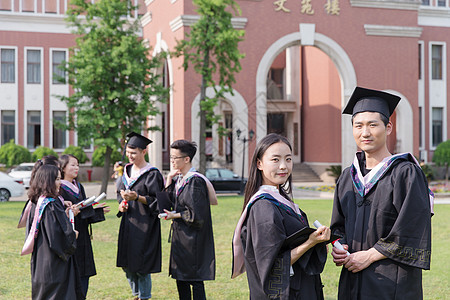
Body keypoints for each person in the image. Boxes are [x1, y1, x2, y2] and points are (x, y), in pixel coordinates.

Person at [330, 87, 433, 299]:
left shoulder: (406, 173)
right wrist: (338, 247)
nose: (365, 132)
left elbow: (412, 228)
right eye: (358, 126)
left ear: (388, 128)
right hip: (352, 281)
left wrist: (368, 256)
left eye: (372, 125)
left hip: (392, 284)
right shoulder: (347, 178)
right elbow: (338, 226)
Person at [232, 133, 331, 299]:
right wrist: (310, 242)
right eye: (275, 160)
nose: (284, 166)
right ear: (259, 163)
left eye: (288, 159)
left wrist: (316, 244)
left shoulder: (281, 199)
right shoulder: (263, 207)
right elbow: (271, 265)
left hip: (299, 287)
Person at [163, 140, 217, 300]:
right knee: (181, 279)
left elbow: (197, 214)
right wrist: (168, 180)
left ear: (186, 159)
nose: (171, 160)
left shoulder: (195, 181)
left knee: (195, 280)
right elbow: (166, 205)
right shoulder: (180, 179)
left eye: (175, 157)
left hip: (193, 239)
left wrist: (175, 215)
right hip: (181, 238)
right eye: (171, 157)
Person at [21, 164, 84, 300]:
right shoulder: (51, 205)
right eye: (56, 179)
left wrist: (64, 216)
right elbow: (57, 237)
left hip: (41, 261)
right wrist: (73, 235)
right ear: (47, 181)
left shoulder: (36, 202)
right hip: (55, 264)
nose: (59, 183)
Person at [116, 132, 164, 300]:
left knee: (142, 265)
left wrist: (137, 197)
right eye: (128, 152)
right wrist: (121, 204)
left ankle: (144, 296)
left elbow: (160, 202)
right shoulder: (126, 171)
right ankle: (136, 294)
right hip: (129, 223)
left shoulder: (152, 173)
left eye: (134, 153)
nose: (130, 156)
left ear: (144, 152)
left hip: (146, 225)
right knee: (126, 263)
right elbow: (118, 193)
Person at [59, 154, 110, 297]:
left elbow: (84, 211)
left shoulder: (78, 186)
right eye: (73, 165)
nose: (76, 168)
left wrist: (97, 211)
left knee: (83, 276)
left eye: (78, 165)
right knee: (71, 275)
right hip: (70, 236)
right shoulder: (59, 189)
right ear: (63, 167)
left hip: (83, 237)